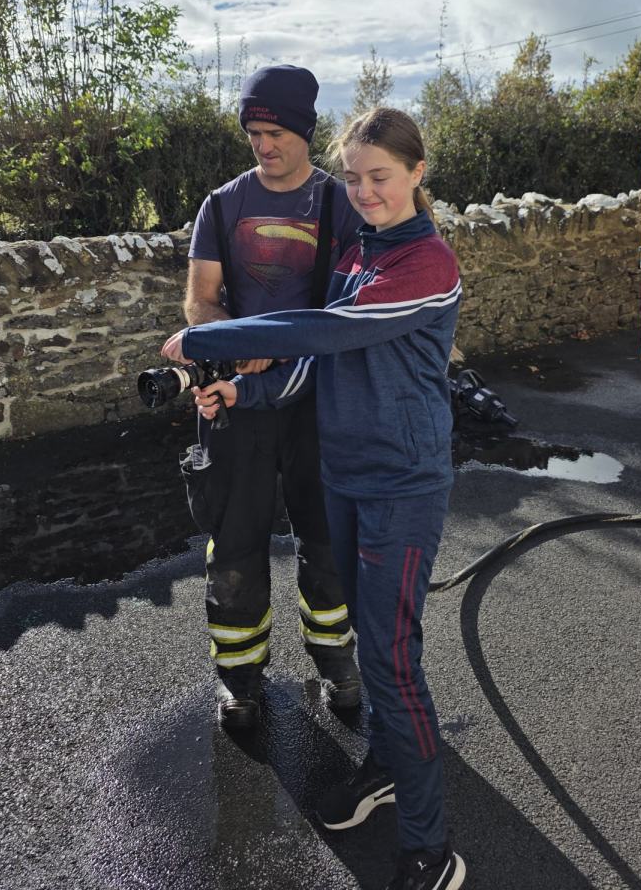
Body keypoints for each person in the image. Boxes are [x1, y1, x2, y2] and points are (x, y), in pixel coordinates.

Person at [162, 107, 467, 890]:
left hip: (402, 485)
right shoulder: (360, 253)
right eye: (355, 177)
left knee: (393, 663)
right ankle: (387, 764)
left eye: (381, 177)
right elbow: (317, 364)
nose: (364, 192)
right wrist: (242, 393)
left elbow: (320, 333)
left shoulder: (426, 263)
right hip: (347, 475)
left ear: (417, 174)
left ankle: (431, 849)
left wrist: (204, 339)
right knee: (375, 642)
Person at [172, 64, 363, 730]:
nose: (264, 144)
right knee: (234, 545)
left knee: (328, 538)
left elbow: (353, 310)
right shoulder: (222, 205)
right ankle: (240, 681)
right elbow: (200, 301)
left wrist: (276, 347)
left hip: (320, 401)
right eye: (254, 132)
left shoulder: (342, 204)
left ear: (305, 130)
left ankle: (338, 666)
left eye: (276, 131)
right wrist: (238, 342)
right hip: (236, 399)